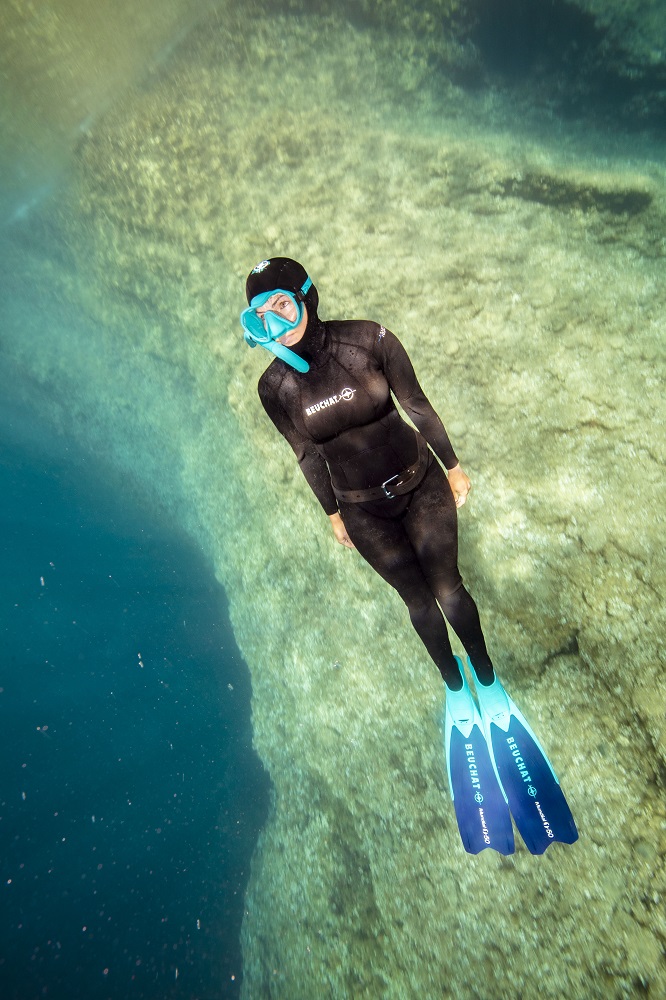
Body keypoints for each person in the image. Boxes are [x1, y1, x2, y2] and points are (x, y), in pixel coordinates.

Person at [241, 256, 578, 856]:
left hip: (421, 486)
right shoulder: (275, 388)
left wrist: (453, 465)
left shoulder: (369, 340)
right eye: (260, 317)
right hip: (363, 513)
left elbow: (417, 405)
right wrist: (333, 514)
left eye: (283, 307)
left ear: (307, 297)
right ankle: (455, 689)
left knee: (449, 589)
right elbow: (306, 455)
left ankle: (488, 681)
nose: (276, 326)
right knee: (418, 603)